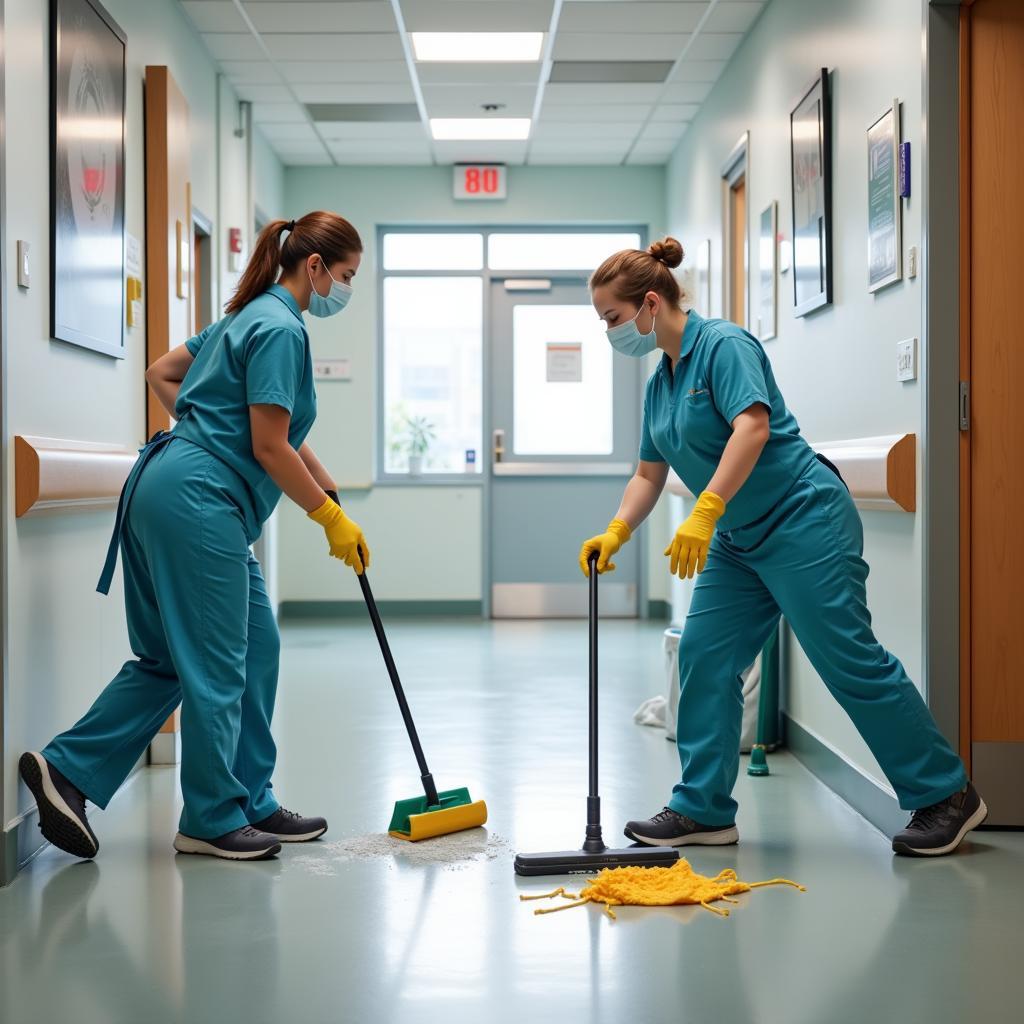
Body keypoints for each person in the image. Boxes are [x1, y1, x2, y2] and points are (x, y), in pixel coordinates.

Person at [579, 237, 987, 857]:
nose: (611, 332)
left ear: (649, 303)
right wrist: (616, 531)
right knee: (704, 656)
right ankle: (703, 810)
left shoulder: (724, 345)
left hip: (804, 517)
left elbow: (753, 425)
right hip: (740, 540)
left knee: (845, 656)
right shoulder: (660, 383)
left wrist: (707, 507)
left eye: (612, 317)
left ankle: (947, 794)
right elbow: (648, 474)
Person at [20, 211, 370, 862]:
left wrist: (326, 490)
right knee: (217, 664)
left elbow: (163, 374)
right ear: (315, 266)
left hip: (167, 487)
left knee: (240, 648)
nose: (345, 291)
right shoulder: (281, 329)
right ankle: (210, 819)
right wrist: (325, 516)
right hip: (198, 503)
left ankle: (85, 774)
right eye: (346, 276)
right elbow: (268, 445)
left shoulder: (245, 317)